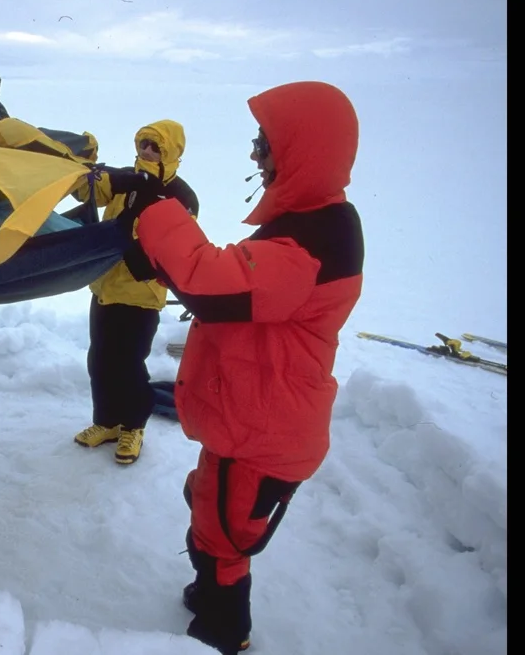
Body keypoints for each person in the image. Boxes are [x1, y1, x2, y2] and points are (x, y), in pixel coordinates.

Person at [112, 82, 364, 654]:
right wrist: (154, 258)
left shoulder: (316, 241)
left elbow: (211, 285)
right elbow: (239, 290)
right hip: (250, 418)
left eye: (263, 142)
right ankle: (209, 591)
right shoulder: (313, 222)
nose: (255, 154)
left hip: (265, 431)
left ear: (304, 148)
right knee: (209, 508)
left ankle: (223, 631)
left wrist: (155, 207)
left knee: (225, 537)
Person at [70, 120, 199, 465]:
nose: (146, 151)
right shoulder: (126, 179)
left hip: (142, 297)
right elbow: (89, 191)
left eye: (155, 147)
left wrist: (131, 240)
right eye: (143, 143)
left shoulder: (182, 196)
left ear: (171, 152)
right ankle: (106, 422)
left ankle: (133, 426)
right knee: (100, 361)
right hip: (105, 288)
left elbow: (180, 249)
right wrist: (80, 159)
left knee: (128, 365)